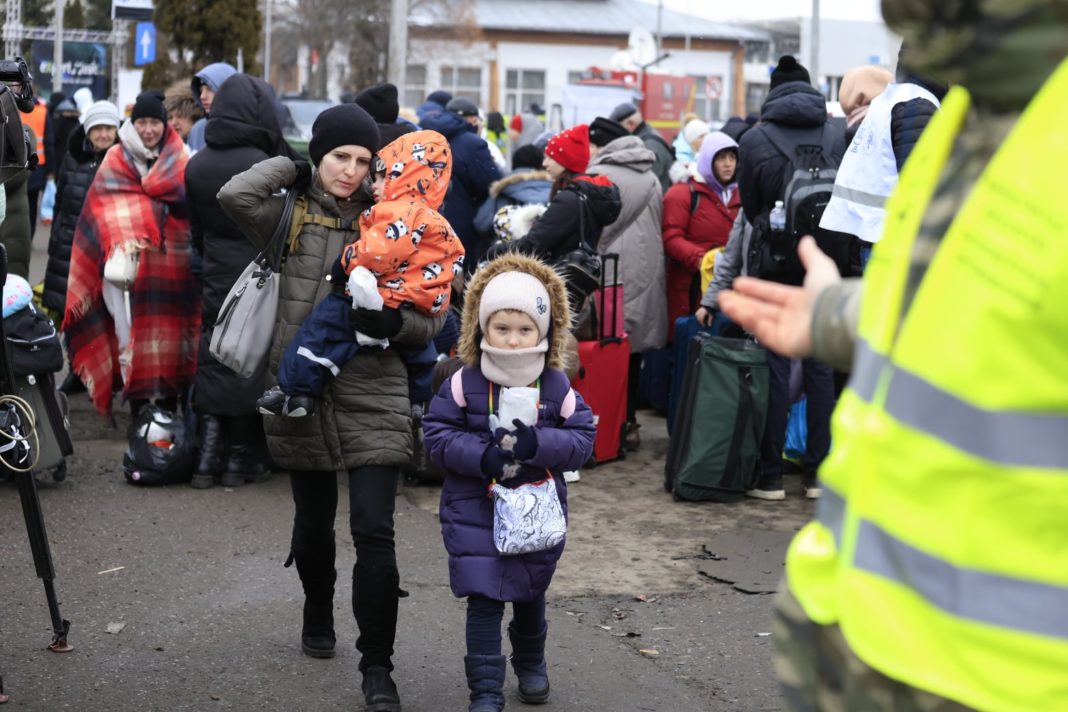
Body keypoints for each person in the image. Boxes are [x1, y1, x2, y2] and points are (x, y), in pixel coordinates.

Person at [719, 1, 1068, 708]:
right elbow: (977, 312)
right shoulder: (973, 100)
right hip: (852, 645)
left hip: (998, 682)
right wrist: (841, 316)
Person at [218, 102, 444, 712]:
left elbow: (434, 322)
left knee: (375, 531)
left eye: (364, 160)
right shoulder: (287, 214)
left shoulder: (401, 216)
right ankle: (318, 605)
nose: (351, 170)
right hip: (301, 392)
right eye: (339, 156)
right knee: (314, 528)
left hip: (376, 392)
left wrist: (394, 322)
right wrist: (290, 168)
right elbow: (234, 195)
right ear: (320, 156)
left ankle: (378, 669)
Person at [422, 252, 596, 712]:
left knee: (529, 593)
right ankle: (484, 691)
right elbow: (437, 436)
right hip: (475, 508)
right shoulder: (464, 382)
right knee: (483, 599)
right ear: (482, 329)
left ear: (542, 332)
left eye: (524, 330)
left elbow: (582, 439)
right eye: (502, 328)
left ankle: (532, 664)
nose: (514, 340)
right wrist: (482, 456)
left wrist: (538, 445)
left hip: (535, 508)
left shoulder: (557, 386)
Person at [257, 128, 463, 417]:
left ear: (401, 178)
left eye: (380, 176)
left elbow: (378, 251)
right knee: (421, 353)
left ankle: (297, 389)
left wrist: (343, 264)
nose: (372, 184)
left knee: (325, 327)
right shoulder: (435, 218)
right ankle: (421, 400)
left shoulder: (398, 212)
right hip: (419, 297)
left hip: (385, 297)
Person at [184, 74, 300, 489]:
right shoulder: (266, 163)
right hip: (258, 271)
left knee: (215, 352)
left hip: (216, 269)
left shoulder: (197, 163)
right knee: (248, 359)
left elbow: (195, 231)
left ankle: (205, 458)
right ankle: (238, 460)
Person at [736, 55, 841, 501]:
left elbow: (749, 206)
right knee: (820, 368)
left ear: (772, 92)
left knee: (776, 368)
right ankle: (818, 475)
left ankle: (770, 475)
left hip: (776, 262)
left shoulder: (755, 138)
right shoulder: (837, 131)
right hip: (823, 260)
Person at [64, 92, 200, 418]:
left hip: (171, 267)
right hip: (123, 270)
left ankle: (167, 409)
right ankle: (139, 410)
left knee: (170, 337)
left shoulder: (180, 155)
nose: (149, 129)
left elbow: (190, 204)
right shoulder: (115, 158)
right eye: (142, 122)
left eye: (155, 122)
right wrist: (128, 231)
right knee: (130, 338)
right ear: (133, 123)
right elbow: (100, 208)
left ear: (164, 124)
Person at [821, 48, 945, 268]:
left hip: (875, 238)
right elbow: (920, 184)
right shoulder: (917, 104)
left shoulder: (893, 99)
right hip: (897, 245)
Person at [587, 116, 666, 450]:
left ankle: (607, 420)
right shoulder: (652, 177)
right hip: (645, 269)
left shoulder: (597, 176)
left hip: (609, 269)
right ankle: (630, 421)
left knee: (604, 345)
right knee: (630, 350)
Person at [485, 124, 621, 308]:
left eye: (550, 157)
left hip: (558, 284)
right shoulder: (588, 194)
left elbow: (534, 245)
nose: (544, 163)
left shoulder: (569, 199)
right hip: (576, 284)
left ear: (566, 160)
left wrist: (494, 251)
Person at [41, 101, 121, 392]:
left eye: (108, 128)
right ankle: (78, 369)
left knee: (107, 316)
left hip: (108, 254)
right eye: (97, 128)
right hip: (71, 251)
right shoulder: (72, 158)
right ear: (88, 130)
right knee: (74, 314)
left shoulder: (125, 160)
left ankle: (111, 376)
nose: (103, 134)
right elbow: (61, 204)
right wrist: (55, 244)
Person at [661, 131, 740, 340]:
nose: (728, 164)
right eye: (721, 158)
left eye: (732, 158)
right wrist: (702, 259)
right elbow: (670, 237)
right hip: (689, 289)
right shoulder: (683, 192)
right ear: (707, 159)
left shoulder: (741, 193)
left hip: (728, 287)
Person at [421, 97, 501, 262]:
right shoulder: (472, 144)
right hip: (463, 223)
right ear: (472, 119)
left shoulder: (425, 135)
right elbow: (492, 183)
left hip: (425, 219)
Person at [472, 144, 551, 258]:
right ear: (541, 164)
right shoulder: (554, 192)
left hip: (505, 258)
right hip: (544, 259)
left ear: (514, 164)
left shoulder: (502, 191)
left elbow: (481, 224)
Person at [609, 102, 675, 191]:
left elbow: (645, 186)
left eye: (617, 128)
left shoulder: (649, 147)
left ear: (630, 123)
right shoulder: (647, 138)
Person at [187, 62, 237, 152]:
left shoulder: (245, 128)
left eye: (209, 89)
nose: (202, 96)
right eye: (201, 90)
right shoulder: (197, 130)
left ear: (229, 90)